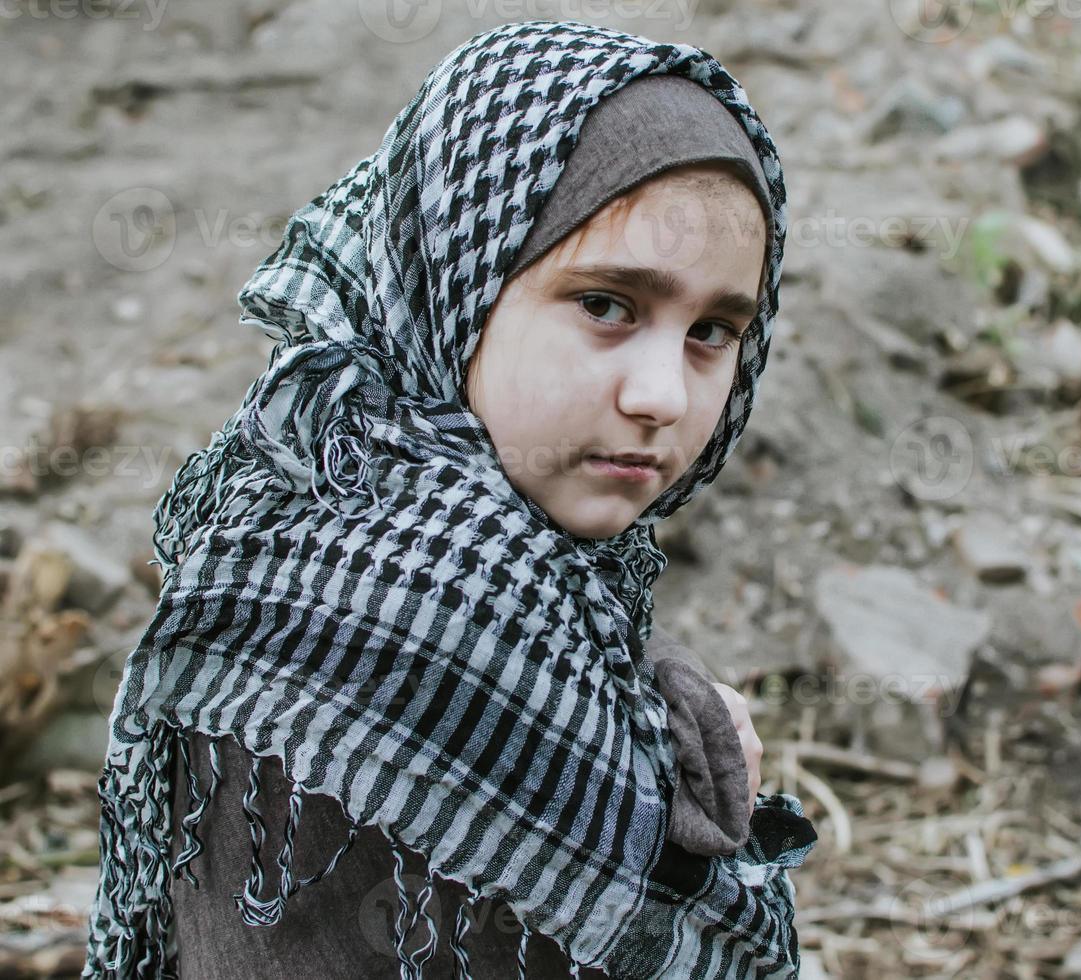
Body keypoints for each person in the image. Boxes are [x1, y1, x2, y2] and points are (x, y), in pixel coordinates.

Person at [83, 19, 816, 980]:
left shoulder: (389, 512)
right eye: (606, 304)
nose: (664, 395)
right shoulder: (401, 591)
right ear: (454, 282)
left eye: (714, 330)